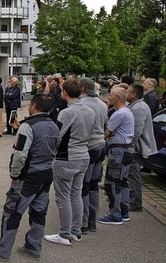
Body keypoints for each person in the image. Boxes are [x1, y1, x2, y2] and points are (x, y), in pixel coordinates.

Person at [0, 94, 59, 262]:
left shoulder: (28, 127)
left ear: (34, 105)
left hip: (28, 178)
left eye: (30, 104)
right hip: (46, 175)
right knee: (39, 212)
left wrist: (15, 175)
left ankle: (2, 250)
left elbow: (20, 155)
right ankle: (33, 247)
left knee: (12, 212)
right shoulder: (54, 125)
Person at [44, 79, 94, 245]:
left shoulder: (66, 112)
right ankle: (75, 231)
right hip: (83, 155)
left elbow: (58, 135)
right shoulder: (90, 111)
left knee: (63, 196)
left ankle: (64, 234)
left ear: (64, 92)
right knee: (76, 193)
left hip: (67, 157)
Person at [99, 86, 134, 225]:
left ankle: (115, 213)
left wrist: (107, 133)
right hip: (126, 149)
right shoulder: (127, 112)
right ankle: (124, 211)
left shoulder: (119, 114)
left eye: (111, 95)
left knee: (113, 182)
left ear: (118, 98)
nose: (109, 98)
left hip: (118, 150)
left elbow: (108, 132)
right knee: (122, 181)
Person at [78, 78, 108, 234]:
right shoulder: (102, 104)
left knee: (83, 185)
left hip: (88, 147)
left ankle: (84, 223)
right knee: (94, 185)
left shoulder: (82, 104)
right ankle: (92, 221)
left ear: (82, 88)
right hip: (101, 145)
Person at [126, 84, 157, 213]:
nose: (126, 93)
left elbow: (135, 131)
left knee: (133, 175)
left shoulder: (139, 108)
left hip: (136, 149)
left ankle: (135, 202)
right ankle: (131, 200)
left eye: (128, 91)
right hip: (135, 148)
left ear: (134, 94)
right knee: (131, 175)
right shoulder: (137, 106)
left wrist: (129, 146)